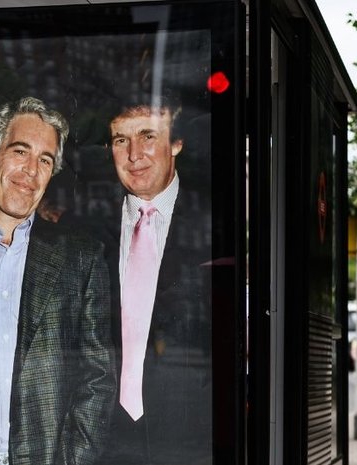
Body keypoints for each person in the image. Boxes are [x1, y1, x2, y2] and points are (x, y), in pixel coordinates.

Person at [0, 96, 116, 465]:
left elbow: (97, 380)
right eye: (20, 151)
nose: (31, 170)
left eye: (45, 160)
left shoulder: (81, 259)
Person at [98, 95, 213, 465]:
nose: (134, 155)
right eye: (121, 140)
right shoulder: (87, 231)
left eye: (148, 136)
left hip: (191, 439)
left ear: (176, 143)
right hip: (104, 440)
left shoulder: (215, 225)